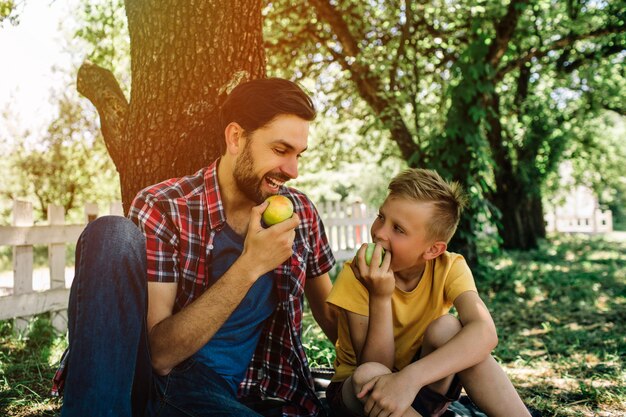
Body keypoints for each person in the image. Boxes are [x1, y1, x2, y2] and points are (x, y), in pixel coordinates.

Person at [55, 78, 338, 417]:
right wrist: (250, 265)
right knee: (110, 233)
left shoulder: (300, 213)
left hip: (231, 394)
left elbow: (332, 318)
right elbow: (160, 356)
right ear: (235, 138)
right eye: (280, 150)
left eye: (298, 155)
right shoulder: (165, 206)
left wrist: (396, 360)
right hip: (156, 380)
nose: (292, 170)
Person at [325, 169, 531, 417]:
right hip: (361, 397)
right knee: (368, 374)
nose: (379, 232)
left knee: (448, 328)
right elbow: (377, 365)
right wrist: (379, 297)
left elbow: (485, 333)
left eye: (398, 229)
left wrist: (410, 379)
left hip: (421, 386)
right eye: (381, 216)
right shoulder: (358, 274)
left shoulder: (449, 266)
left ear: (433, 250)